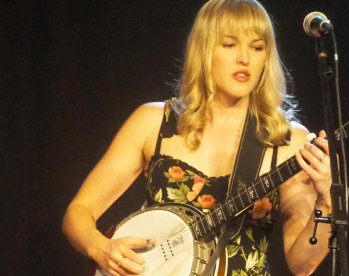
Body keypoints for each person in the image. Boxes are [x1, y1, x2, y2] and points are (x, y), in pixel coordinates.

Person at [62, 0, 333, 275]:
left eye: (257, 47)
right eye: (229, 44)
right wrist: (100, 247)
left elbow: (303, 264)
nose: (245, 59)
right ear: (205, 49)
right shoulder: (153, 122)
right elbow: (79, 211)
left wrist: (326, 201)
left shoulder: (287, 141)